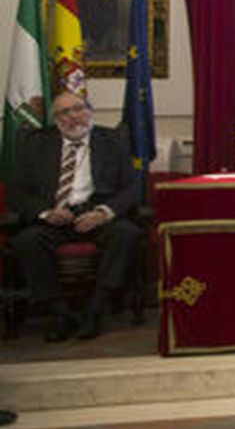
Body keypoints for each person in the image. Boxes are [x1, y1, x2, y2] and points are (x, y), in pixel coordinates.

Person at [5, 92, 143, 342]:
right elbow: (17, 191)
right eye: (63, 113)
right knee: (27, 241)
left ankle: (95, 309)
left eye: (78, 109)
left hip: (96, 214)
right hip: (55, 216)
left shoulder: (112, 141)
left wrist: (104, 213)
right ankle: (61, 314)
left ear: (90, 111)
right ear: (55, 119)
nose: (73, 117)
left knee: (126, 234)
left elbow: (133, 188)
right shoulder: (36, 143)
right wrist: (46, 213)